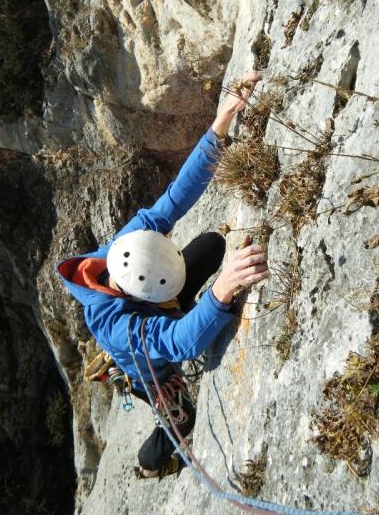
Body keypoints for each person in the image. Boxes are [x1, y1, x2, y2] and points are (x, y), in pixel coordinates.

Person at [57, 70, 269, 479]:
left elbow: (174, 198)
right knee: (181, 420)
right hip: (151, 367)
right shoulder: (119, 327)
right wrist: (222, 291)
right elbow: (178, 344)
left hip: (152, 312)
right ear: (146, 297)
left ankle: (184, 304)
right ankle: (148, 465)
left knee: (211, 245)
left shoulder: (123, 250)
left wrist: (219, 125)